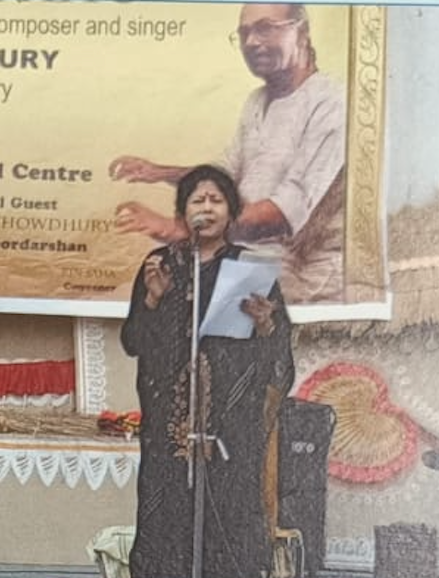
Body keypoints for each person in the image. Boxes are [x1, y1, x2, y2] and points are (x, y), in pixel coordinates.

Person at [121, 165, 295, 578]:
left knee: (229, 515)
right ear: (183, 213)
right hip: (171, 427)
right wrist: (153, 301)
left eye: (216, 200)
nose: (207, 208)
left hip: (230, 426)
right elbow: (133, 342)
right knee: (168, 514)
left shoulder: (249, 267)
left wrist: (265, 324)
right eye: (198, 200)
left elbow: (278, 352)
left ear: (230, 212)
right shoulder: (161, 264)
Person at [111, 3, 346, 304]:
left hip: (291, 277)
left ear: (302, 32)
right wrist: (159, 172)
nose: (251, 42)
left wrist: (177, 229)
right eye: (244, 33)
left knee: (147, 302)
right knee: (134, 292)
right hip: (238, 256)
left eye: (264, 28)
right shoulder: (257, 100)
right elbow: (223, 175)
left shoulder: (331, 102)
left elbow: (281, 214)